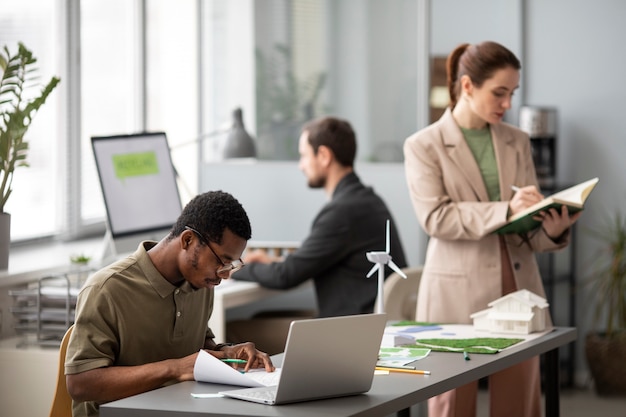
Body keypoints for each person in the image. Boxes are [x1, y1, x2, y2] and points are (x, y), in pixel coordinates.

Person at [403, 41, 581, 417]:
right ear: (467, 86)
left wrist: (551, 228)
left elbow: (524, 229)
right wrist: (505, 209)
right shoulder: (424, 145)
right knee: (452, 402)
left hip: (519, 286)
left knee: (520, 402)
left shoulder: (517, 141)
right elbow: (436, 217)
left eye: (512, 93)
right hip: (455, 291)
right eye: (499, 93)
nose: (507, 103)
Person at [65, 191, 275, 417]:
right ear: (187, 240)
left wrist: (228, 353)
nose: (224, 275)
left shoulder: (201, 283)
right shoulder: (105, 289)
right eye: (221, 261)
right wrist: (175, 369)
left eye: (231, 264)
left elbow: (197, 346)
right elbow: (80, 384)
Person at [232, 116, 407, 318]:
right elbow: (307, 263)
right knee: (262, 318)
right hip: (369, 323)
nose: (301, 166)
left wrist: (234, 270)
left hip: (352, 329)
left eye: (304, 156)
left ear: (323, 155)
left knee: (241, 329)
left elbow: (286, 276)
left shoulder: (343, 212)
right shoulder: (369, 201)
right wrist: (274, 261)